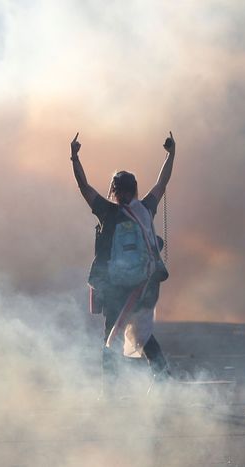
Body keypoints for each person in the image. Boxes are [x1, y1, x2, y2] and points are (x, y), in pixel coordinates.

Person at [70, 131, 176, 397]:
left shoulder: (108, 212)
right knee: (143, 333)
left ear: (115, 191)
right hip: (143, 286)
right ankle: (162, 376)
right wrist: (171, 154)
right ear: (135, 189)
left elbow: (84, 187)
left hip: (116, 287)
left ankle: (112, 391)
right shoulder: (146, 209)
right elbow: (161, 184)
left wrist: (75, 157)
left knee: (111, 338)